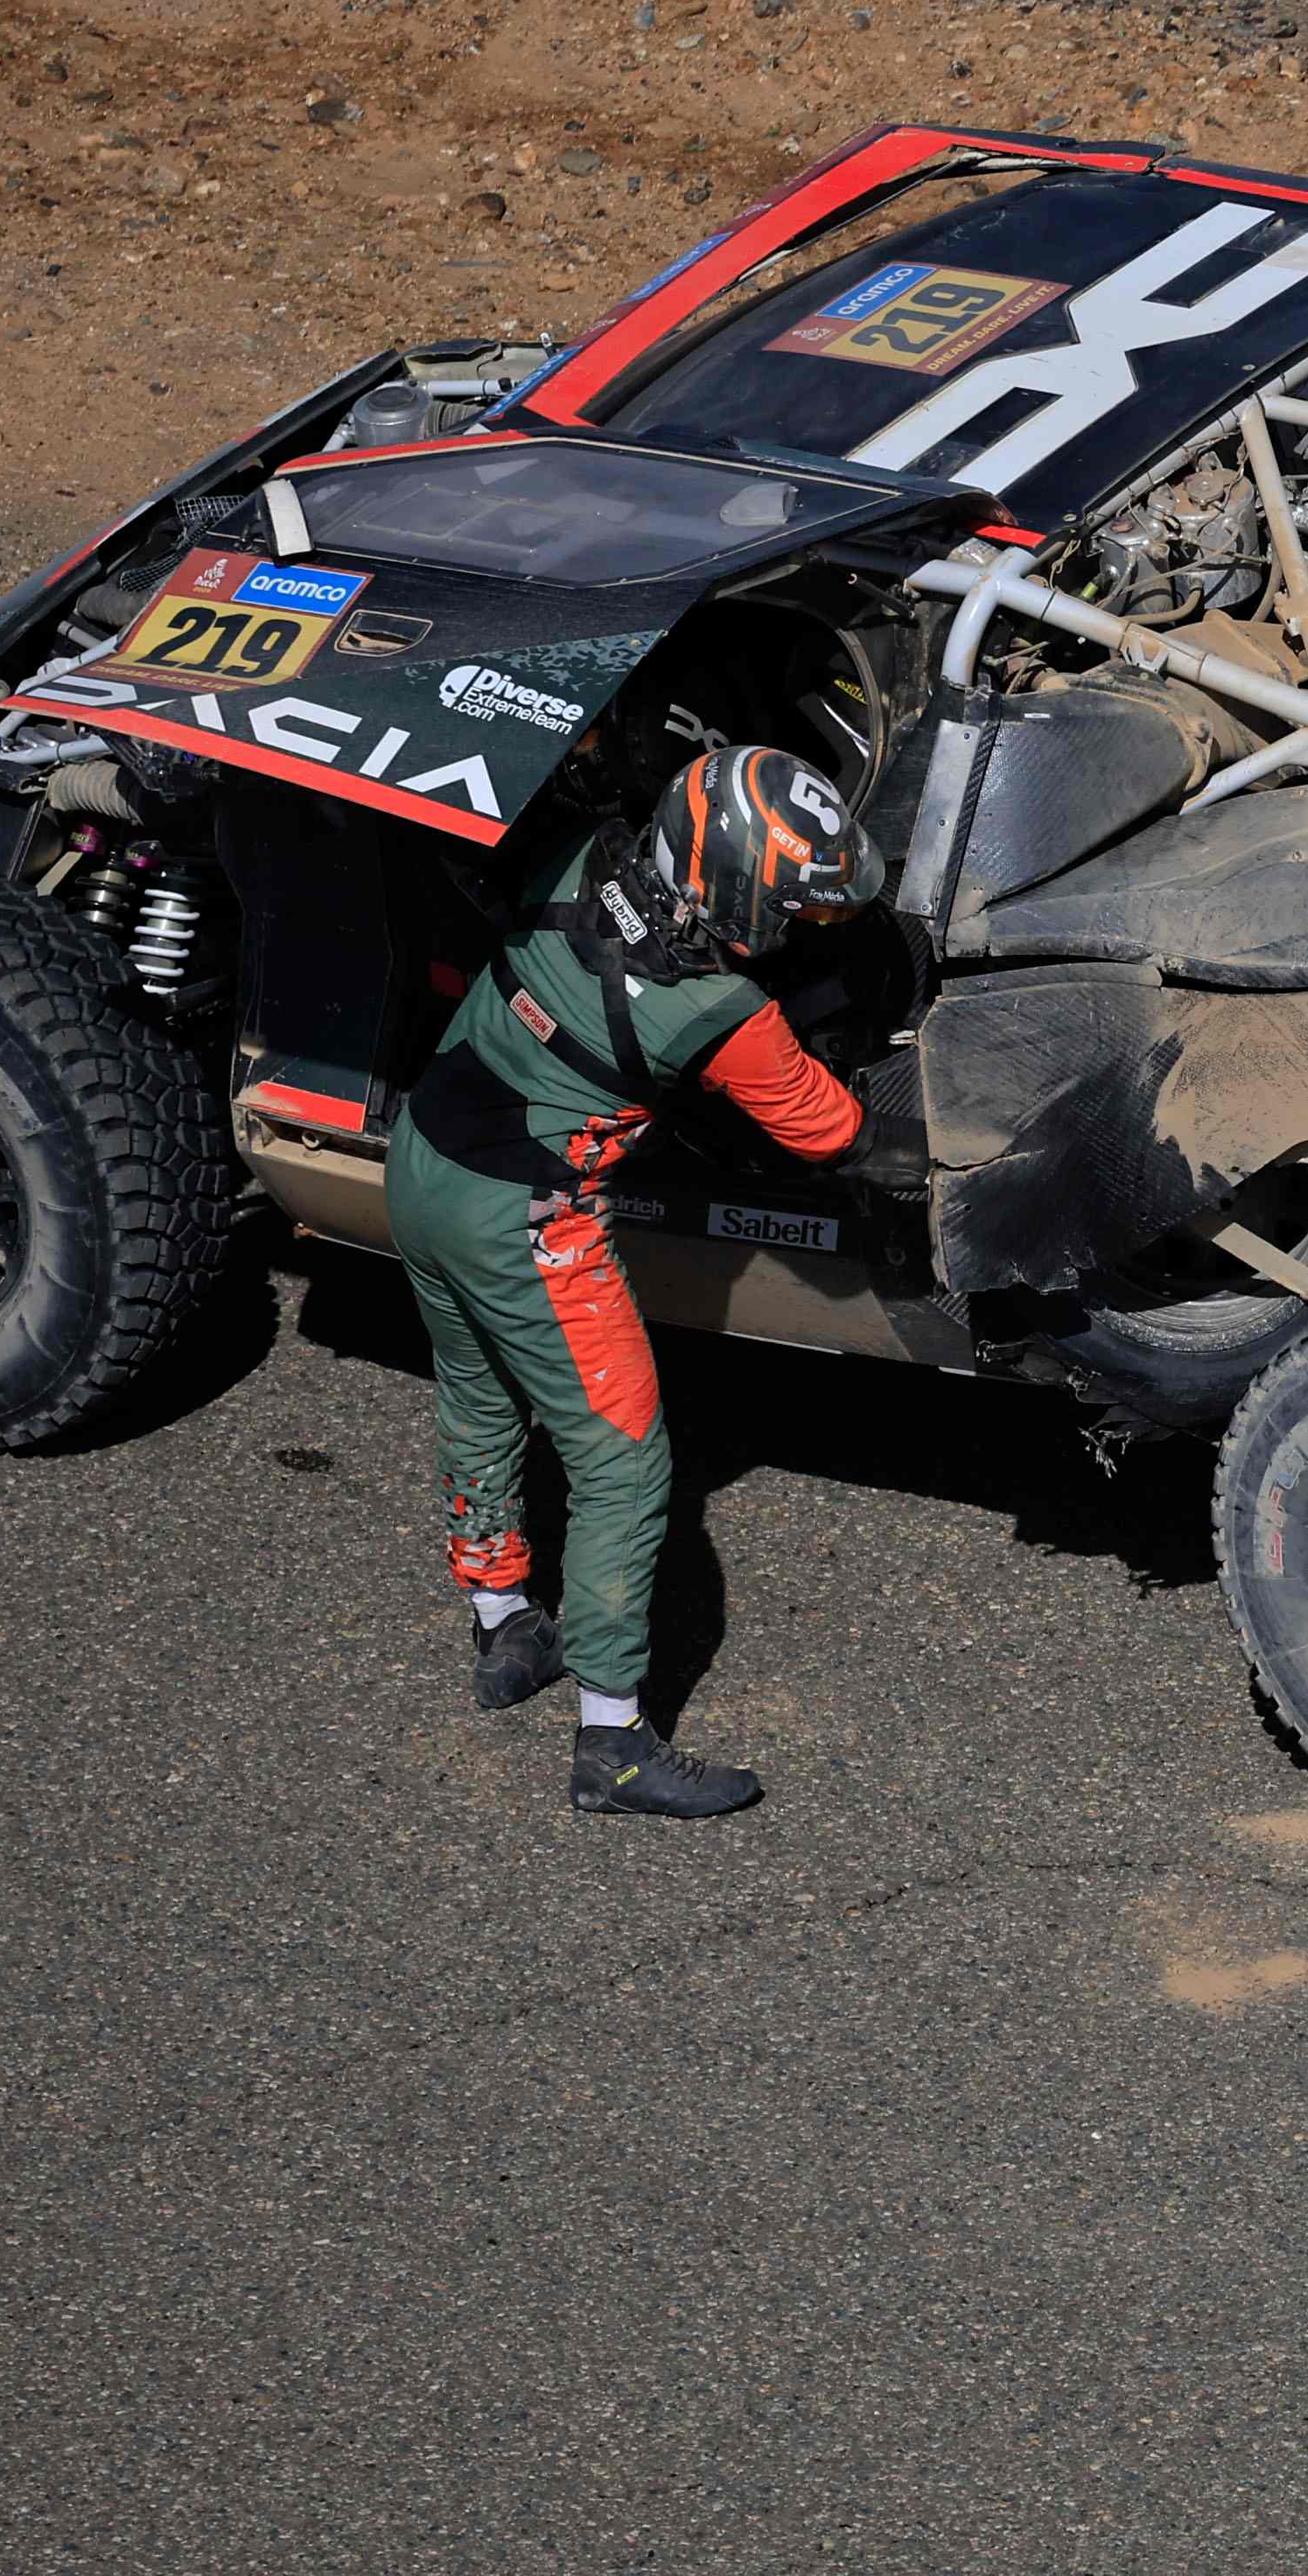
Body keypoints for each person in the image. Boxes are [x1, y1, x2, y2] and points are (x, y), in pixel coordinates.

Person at [388, 743, 880, 1816]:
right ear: (737, 890)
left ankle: (504, 1619)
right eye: (788, 908)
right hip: (523, 1220)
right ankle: (612, 1744)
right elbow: (831, 1128)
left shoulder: (577, 854)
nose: (795, 926)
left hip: (419, 1164)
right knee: (624, 1464)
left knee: (478, 1395)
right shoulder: (719, 1011)